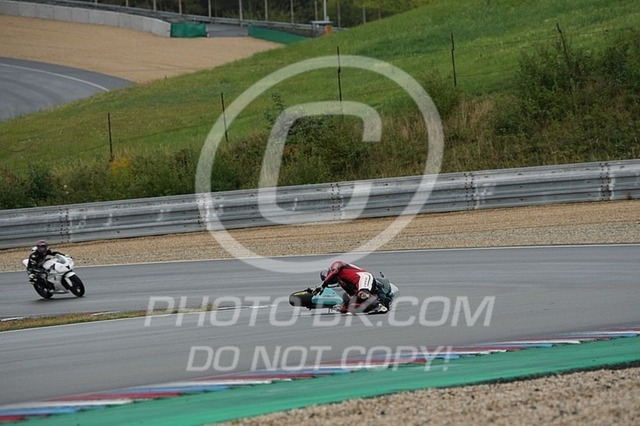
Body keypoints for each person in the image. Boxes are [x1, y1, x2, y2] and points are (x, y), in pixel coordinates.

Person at [314, 260, 388, 314]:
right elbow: (353, 295)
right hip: (360, 288)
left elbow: (335, 271)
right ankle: (374, 302)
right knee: (345, 307)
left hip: (363, 277)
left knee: (362, 293)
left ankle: (379, 306)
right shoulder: (342, 283)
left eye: (329, 279)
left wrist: (323, 285)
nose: (331, 281)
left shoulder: (337, 264)